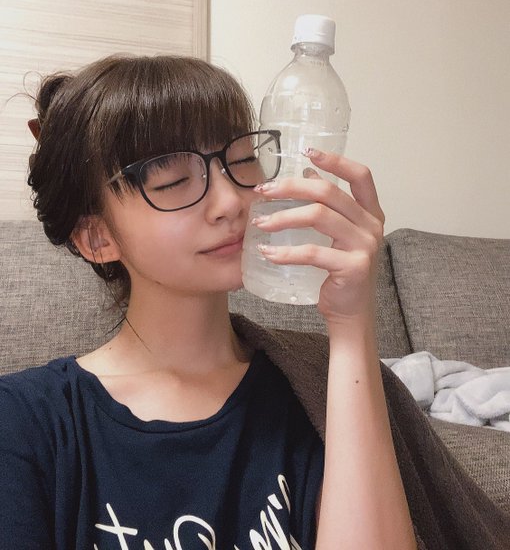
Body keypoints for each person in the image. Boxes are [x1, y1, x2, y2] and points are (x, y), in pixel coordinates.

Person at [0, 55, 507, 550]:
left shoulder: (317, 385)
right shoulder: (26, 421)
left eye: (241, 160)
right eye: (173, 181)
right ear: (97, 238)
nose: (230, 202)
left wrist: (353, 327)